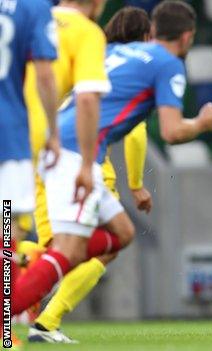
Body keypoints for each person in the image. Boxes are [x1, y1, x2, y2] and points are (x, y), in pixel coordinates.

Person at [11, 0, 212, 322]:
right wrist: (203, 123)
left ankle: (42, 258)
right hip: (76, 154)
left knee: (122, 233)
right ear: (186, 37)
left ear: (153, 31)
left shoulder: (114, 52)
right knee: (68, 251)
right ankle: (13, 308)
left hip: (59, 143)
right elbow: (171, 131)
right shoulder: (167, 64)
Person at [25, 6, 152, 344]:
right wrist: (137, 185)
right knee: (83, 248)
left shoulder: (68, 52)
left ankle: (22, 267)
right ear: (145, 38)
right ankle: (46, 319)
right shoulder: (123, 66)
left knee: (48, 246)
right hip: (83, 167)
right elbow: (136, 133)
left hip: (36, 155)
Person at [0, 0, 59, 347]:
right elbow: (45, 74)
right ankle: (3, 330)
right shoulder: (32, 7)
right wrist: (53, 131)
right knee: (8, 228)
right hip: (8, 138)